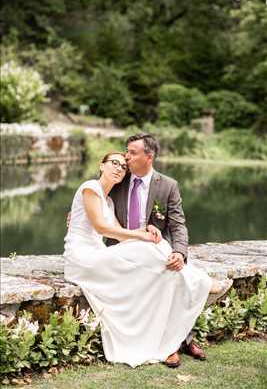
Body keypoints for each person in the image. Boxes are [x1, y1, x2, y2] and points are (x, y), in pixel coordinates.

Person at [64, 143, 232, 368]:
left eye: (123, 166)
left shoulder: (111, 200)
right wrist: (140, 235)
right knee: (153, 250)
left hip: (99, 253)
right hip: (82, 257)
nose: (119, 168)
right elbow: (102, 228)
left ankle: (177, 334)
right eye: (114, 163)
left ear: (149, 157)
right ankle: (201, 281)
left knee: (158, 244)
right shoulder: (90, 187)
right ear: (101, 165)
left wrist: (148, 234)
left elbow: (126, 237)